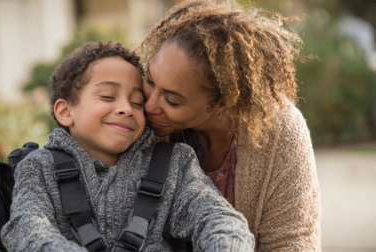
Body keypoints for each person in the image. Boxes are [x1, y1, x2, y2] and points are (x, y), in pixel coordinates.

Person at [0, 41, 254, 251]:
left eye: (137, 102)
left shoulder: (174, 164)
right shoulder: (38, 168)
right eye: (108, 96)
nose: (125, 108)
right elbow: (27, 227)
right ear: (66, 111)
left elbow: (213, 215)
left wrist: (226, 244)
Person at [137, 0, 321, 251]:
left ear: (222, 104)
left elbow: (292, 241)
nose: (149, 105)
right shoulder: (136, 118)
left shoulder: (280, 131)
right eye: (150, 79)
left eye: (171, 100)